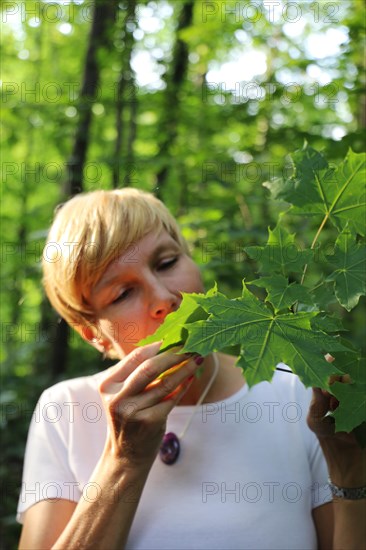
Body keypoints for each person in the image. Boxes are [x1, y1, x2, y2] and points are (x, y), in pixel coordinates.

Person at [17, 188, 365, 549]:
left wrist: (349, 468)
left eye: (167, 263)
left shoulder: (297, 393)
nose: (164, 298)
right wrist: (124, 462)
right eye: (122, 293)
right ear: (93, 335)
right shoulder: (66, 410)